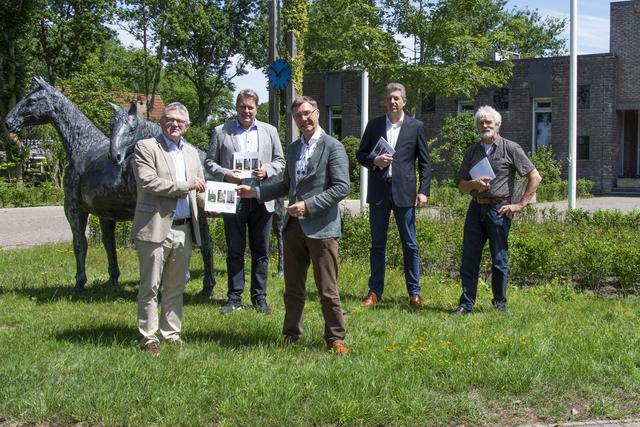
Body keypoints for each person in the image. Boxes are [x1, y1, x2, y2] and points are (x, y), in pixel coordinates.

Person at [236, 96, 351, 355]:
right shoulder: (293, 149)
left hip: (322, 228)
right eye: (299, 116)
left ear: (318, 113)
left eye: (308, 113)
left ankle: (335, 338)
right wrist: (255, 192)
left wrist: (309, 206)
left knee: (327, 289)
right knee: (293, 288)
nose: (304, 119)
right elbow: (287, 185)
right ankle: (291, 335)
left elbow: (343, 187)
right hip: (293, 228)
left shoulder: (333, 147)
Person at [131, 102, 207, 356]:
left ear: (187, 126)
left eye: (180, 121)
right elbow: (148, 182)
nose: (174, 124)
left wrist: (213, 206)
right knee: (151, 286)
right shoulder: (146, 147)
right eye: (169, 119)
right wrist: (186, 185)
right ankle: (148, 336)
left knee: (175, 287)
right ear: (161, 122)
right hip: (153, 227)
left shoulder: (192, 153)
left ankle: (171, 333)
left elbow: (199, 191)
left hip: (183, 229)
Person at [451, 105, 541, 316]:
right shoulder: (472, 151)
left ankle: (499, 304)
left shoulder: (511, 148)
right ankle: (466, 304)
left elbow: (535, 177)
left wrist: (519, 204)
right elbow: (461, 185)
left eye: (489, 122)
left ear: (498, 125)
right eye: (481, 122)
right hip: (476, 209)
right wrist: (474, 184)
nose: (484, 125)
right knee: (469, 259)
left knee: (499, 260)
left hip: (500, 209)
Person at [205, 89, 285, 314]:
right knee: (235, 249)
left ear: (256, 108)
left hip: (261, 197)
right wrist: (225, 174)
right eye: (242, 107)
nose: (246, 111)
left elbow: (280, 160)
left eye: (250, 107)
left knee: (261, 250)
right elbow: (209, 162)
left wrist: (266, 170)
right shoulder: (221, 131)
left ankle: (260, 297)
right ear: (236, 107)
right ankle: (234, 298)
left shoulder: (269, 131)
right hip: (233, 198)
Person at [356, 82, 431, 308]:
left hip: (405, 192)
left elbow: (425, 164)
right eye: (389, 98)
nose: (393, 101)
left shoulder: (416, 127)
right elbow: (360, 154)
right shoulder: (375, 125)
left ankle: (414, 292)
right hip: (379, 191)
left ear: (404, 101)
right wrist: (374, 161)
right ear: (385, 101)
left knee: (410, 244)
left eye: (397, 98)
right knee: (377, 244)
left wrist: (423, 191)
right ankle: (375, 291)